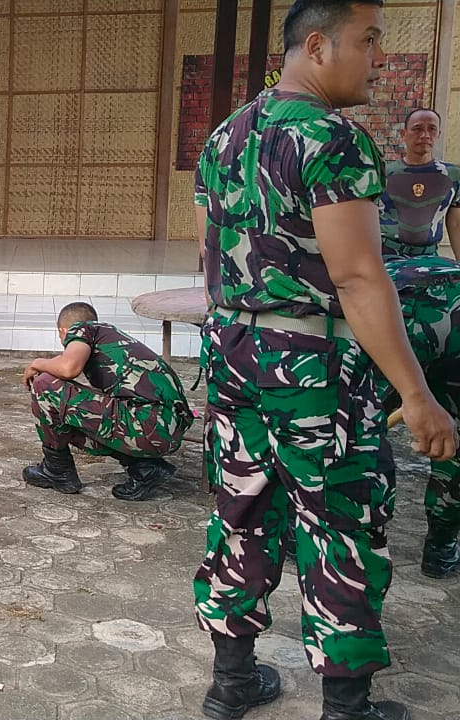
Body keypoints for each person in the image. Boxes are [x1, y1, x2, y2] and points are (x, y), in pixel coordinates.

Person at [192, 1, 458, 718]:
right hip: (310, 364)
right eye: (368, 40)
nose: (379, 56)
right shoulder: (333, 139)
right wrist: (418, 392)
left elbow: (212, 261)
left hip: (232, 350)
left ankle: (233, 680)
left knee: (242, 509)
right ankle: (347, 706)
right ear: (316, 46)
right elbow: (360, 277)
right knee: (338, 518)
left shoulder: (224, 135)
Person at [21, 302, 193, 501]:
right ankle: (144, 468)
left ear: (63, 330)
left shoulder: (83, 329)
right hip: (164, 428)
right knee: (75, 412)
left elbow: (69, 368)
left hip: (149, 423)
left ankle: (57, 469)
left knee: (46, 384)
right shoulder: (110, 336)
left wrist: (37, 363)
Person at [379, 255, 460, 579]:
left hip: (395, 304)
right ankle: (440, 548)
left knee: (353, 428)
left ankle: (333, 535)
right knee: (453, 441)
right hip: (430, 308)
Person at [378, 107, 460, 258]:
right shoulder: (383, 173)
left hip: (429, 257)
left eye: (432, 129)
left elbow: (456, 223)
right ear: (404, 134)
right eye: (417, 129)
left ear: (439, 134)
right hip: (387, 256)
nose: (425, 135)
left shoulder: (453, 175)